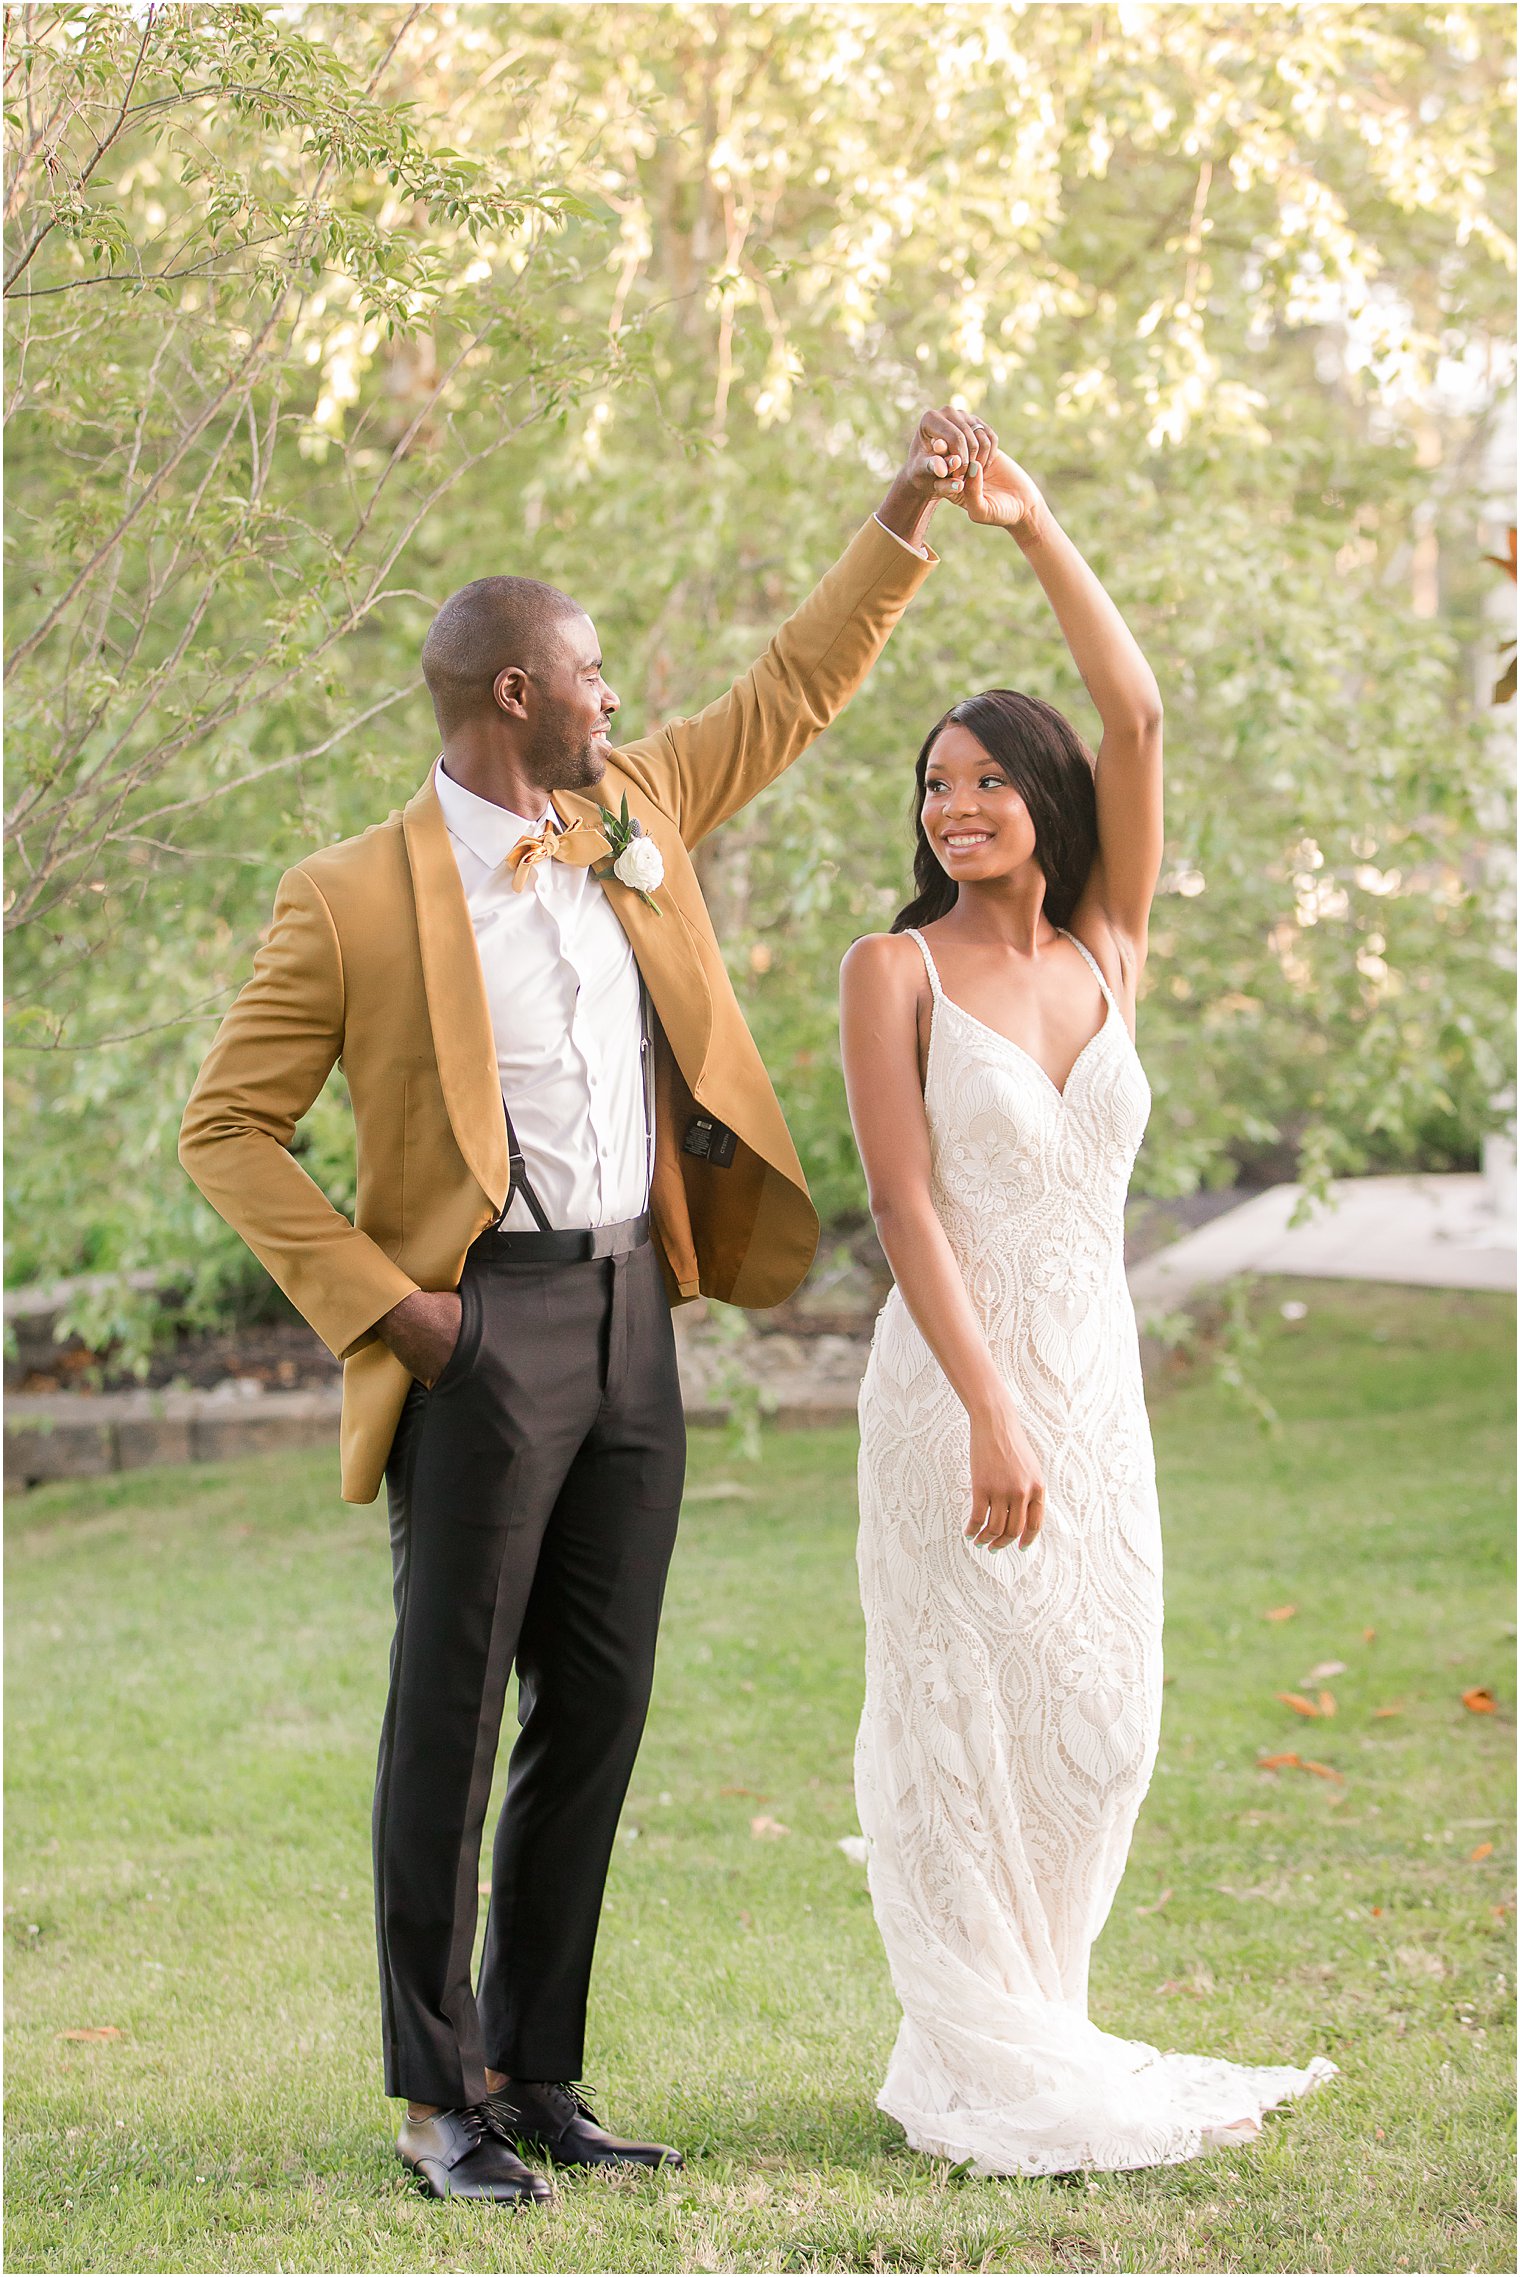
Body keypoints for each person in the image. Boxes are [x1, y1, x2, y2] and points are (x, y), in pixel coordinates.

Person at [178, 409, 964, 2204]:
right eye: (594, 673)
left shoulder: (630, 810)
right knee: (448, 1715)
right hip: (479, 1335)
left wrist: (902, 521)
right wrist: (398, 1311)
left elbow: (788, 692)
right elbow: (226, 1130)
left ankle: (538, 2068)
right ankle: (431, 2098)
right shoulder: (351, 897)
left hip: (633, 1316)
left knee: (598, 1703)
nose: (621, 697)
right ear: (517, 690)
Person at [839, 415, 1337, 2175]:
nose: (954, 806)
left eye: (983, 779)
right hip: (952, 1384)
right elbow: (904, 1206)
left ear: (1040, 799)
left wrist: (1035, 520)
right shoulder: (891, 969)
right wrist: (984, 1405)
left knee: (1101, 1720)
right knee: (960, 1716)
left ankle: (1043, 2006)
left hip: (1097, 1382)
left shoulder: (1108, 948)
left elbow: (1137, 714)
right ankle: (978, 2044)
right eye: (932, 784)